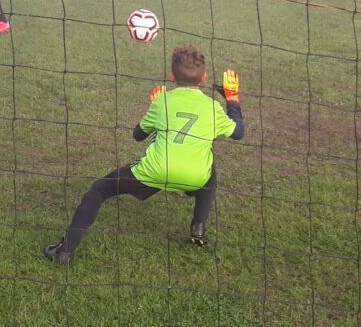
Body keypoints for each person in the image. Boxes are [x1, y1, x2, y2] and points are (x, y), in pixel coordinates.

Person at [43, 45, 244, 264]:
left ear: (171, 76)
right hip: (195, 178)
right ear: (204, 78)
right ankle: (198, 229)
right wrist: (232, 99)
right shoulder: (213, 107)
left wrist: (155, 108)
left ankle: (65, 251)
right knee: (209, 169)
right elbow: (238, 132)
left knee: (100, 189)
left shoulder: (162, 101)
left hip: (154, 172)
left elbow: (138, 135)